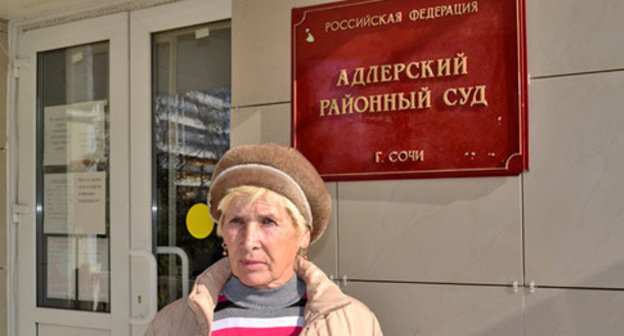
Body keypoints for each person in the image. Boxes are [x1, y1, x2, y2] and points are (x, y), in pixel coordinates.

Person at [145, 143, 382, 335]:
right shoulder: (175, 324)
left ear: (303, 235)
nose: (249, 242)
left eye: (268, 222)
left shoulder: (352, 324)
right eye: (236, 221)